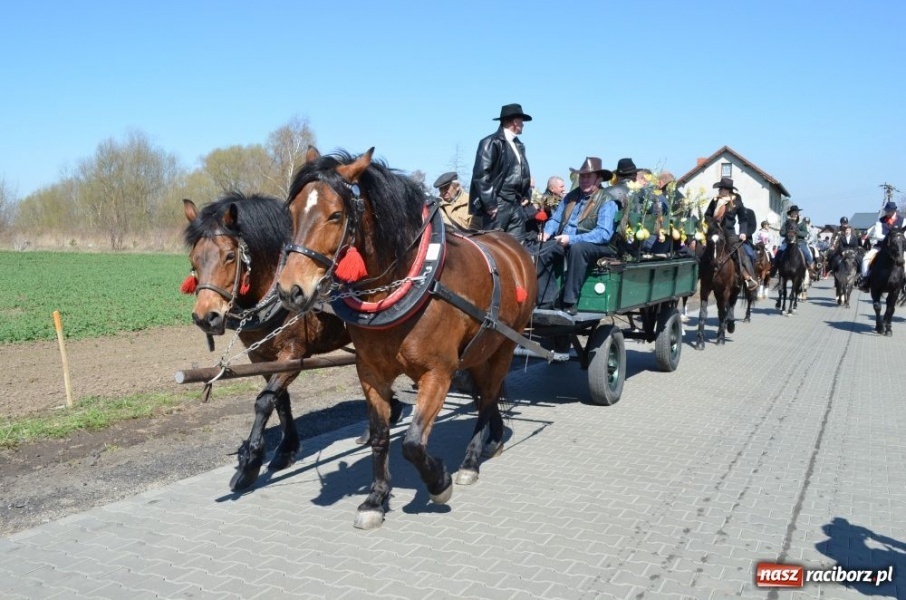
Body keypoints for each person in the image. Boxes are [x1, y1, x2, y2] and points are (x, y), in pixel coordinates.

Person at [536, 156, 616, 315]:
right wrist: (547, 232)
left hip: (596, 246)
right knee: (543, 249)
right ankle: (546, 301)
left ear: (599, 179)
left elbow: (603, 234)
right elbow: (555, 219)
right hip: (566, 241)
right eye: (582, 176)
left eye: (589, 176)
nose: (584, 180)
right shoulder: (570, 197)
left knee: (578, 249)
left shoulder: (607, 200)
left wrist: (571, 239)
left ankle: (569, 301)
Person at [469, 103, 532, 242]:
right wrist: (490, 204)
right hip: (498, 202)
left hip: (516, 203)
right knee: (493, 244)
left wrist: (526, 194)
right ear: (514, 121)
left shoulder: (518, 145)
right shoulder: (490, 142)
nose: (523, 124)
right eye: (521, 120)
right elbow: (481, 175)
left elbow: (523, 173)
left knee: (517, 246)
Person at [705, 177, 758, 291]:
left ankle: (748, 278)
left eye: (722, 188)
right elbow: (707, 215)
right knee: (703, 251)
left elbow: (743, 219)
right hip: (715, 231)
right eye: (720, 188)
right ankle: (700, 275)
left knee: (741, 255)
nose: (719, 190)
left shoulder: (737, 202)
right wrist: (712, 225)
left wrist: (743, 232)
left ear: (728, 190)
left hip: (729, 233)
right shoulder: (715, 201)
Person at [857, 201, 904, 291]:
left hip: (898, 248)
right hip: (881, 247)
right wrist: (889, 239)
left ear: (894, 210)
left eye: (889, 211)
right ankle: (865, 280)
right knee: (866, 259)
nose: (888, 212)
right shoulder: (880, 221)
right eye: (887, 211)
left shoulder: (903, 220)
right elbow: (877, 235)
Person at [772, 205, 813, 275]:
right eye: (793, 212)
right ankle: (774, 269)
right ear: (790, 213)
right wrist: (788, 233)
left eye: (796, 212)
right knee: (779, 253)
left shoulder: (802, 223)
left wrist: (797, 233)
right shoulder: (786, 222)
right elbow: (781, 232)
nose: (795, 214)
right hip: (787, 242)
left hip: (800, 242)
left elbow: (805, 233)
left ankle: (810, 269)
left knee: (807, 254)